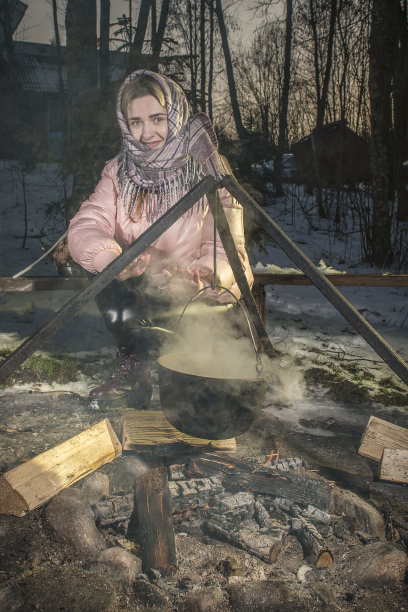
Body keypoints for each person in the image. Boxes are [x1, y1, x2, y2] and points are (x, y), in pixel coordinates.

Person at [68, 69, 254, 408]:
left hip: (189, 297)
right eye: (135, 122)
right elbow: (87, 225)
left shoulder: (208, 171)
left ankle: (192, 374)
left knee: (195, 397)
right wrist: (114, 262)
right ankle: (134, 369)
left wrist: (208, 277)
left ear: (175, 115)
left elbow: (230, 250)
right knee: (99, 273)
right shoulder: (118, 172)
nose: (147, 133)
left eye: (157, 118)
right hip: (136, 294)